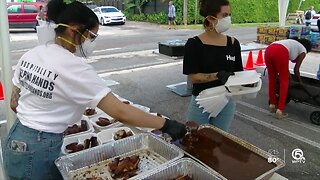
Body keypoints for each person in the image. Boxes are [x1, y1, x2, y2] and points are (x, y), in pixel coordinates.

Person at [2, 0, 186, 179]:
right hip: (39, 147)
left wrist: (43, 110)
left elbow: (13, 103)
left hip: (17, 137)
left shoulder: (33, 53)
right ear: (74, 29)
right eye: (91, 36)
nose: (92, 42)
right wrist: (165, 124)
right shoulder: (74, 67)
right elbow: (121, 111)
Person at [183, 0, 243, 132]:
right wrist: (217, 75)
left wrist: (247, 83)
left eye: (229, 14)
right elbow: (194, 77)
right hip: (202, 101)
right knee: (195, 139)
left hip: (227, 101)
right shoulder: (194, 44)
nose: (228, 19)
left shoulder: (233, 43)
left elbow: (239, 73)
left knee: (219, 141)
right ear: (210, 19)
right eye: (225, 15)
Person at [264, 38, 312, 119]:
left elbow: (285, 68)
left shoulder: (291, 44)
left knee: (272, 79)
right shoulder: (303, 51)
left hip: (269, 49)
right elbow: (296, 70)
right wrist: (300, 83)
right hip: (280, 51)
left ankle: (272, 105)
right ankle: (280, 110)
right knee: (284, 81)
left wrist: (291, 78)